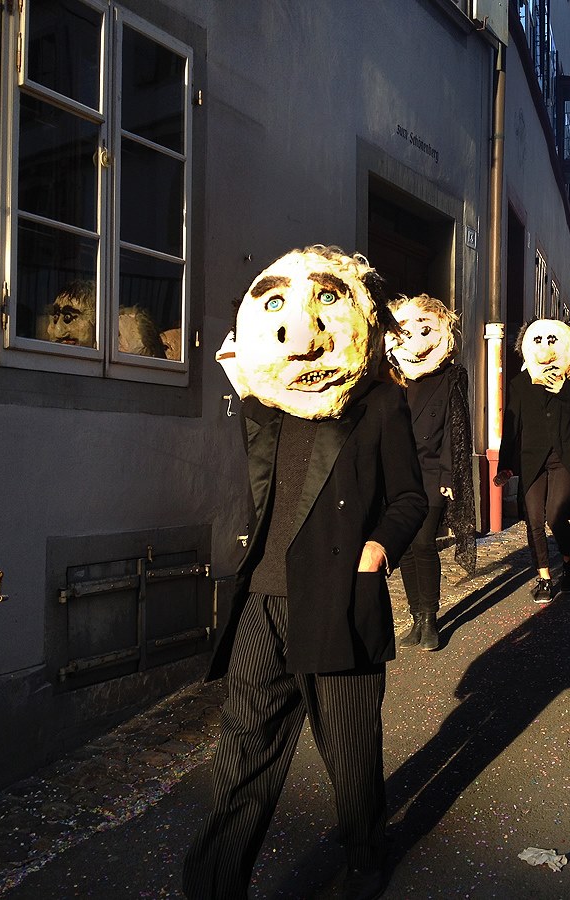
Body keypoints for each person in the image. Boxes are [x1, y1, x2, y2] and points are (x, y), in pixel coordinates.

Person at [186, 246, 427, 900]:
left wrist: (376, 551)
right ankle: (213, 883)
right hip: (263, 599)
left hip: (339, 599)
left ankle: (363, 856)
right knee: (244, 751)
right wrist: (249, 383)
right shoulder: (271, 400)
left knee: (349, 755)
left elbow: (411, 499)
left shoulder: (378, 403)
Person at [385, 294, 477, 652]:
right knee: (405, 547)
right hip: (397, 473)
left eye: (426, 327)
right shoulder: (393, 374)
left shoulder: (451, 376)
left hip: (431, 472)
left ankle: (431, 619)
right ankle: (416, 616)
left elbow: (456, 429)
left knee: (424, 543)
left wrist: (448, 477)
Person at [494, 319, 570, 604]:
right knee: (534, 521)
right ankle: (543, 577)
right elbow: (512, 426)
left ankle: (569, 561)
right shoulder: (520, 382)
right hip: (531, 459)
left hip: (564, 457)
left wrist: (564, 390)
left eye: (552, 340)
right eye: (538, 340)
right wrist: (505, 464)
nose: (544, 346)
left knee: (555, 515)